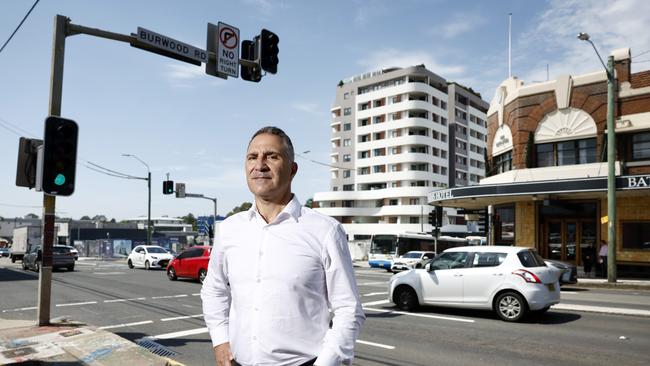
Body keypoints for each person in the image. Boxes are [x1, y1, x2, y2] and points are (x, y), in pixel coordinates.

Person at [201, 126, 365, 366]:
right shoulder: (229, 230)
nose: (260, 165)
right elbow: (214, 289)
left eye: (272, 156)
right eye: (252, 157)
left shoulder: (325, 231)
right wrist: (220, 341)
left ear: (292, 169)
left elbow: (348, 310)